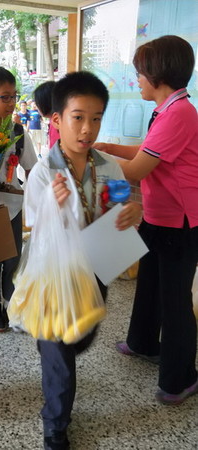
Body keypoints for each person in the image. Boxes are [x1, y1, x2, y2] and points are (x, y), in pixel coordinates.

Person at [24, 71, 141, 450]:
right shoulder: (45, 172)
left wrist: (129, 213)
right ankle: (55, 425)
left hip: (96, 266)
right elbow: (32, 222)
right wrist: (51, 206)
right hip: (54, 273)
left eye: (96, 118)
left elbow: (119, 203)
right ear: (57, 119)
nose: (87, 129)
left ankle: (54, 345)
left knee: (81, 336)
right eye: (78, 117)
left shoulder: (109, 166)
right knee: (60, 353)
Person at [95, 35, 198, 406]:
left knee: (175, 302)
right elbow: (144, 149)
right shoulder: (167, 109)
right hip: (158, 217)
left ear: (157, 73)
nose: (136, 79)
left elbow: (138, 169)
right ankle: (141, 343)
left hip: (180, 223)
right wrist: (105, 147)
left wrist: (92, 161)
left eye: (139, 72)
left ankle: (179, 379)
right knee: (150, 284)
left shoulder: (180, 113)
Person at [0, 65, 37, 332]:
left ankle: (11, 304)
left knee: (12, 258)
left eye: (14, 96)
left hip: (13, 207)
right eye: (5, 97)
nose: (11, 103)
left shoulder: (18, 132)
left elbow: (32, 169)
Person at [33, 81, 59, 149]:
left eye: (37, 103)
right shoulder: (53, 120)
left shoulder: (59, 123)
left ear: (45, 102)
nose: (36, 106)